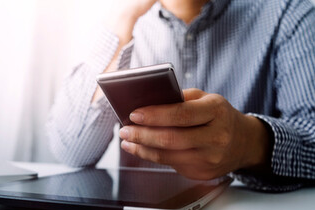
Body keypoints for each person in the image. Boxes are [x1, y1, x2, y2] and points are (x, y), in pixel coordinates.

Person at [47, 0, 315, 192]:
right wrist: (122, 20)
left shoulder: (288, 11)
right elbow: (73, 151)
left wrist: (246, 143)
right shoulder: (121, 24)